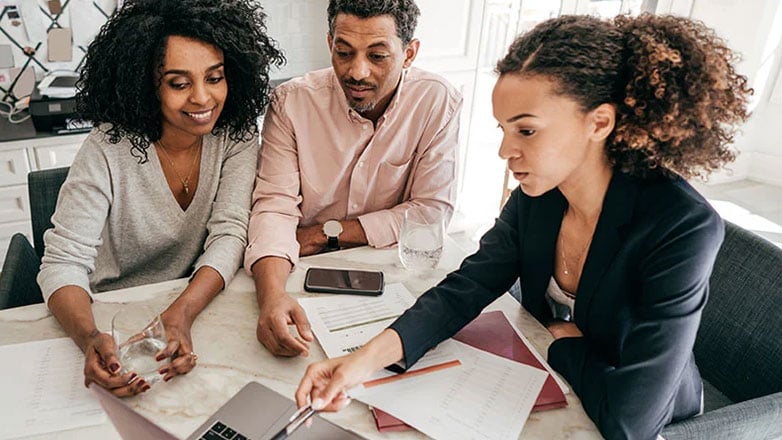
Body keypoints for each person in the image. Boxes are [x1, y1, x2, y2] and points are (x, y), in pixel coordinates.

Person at [295, 13, 752, 439]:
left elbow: (632, 419)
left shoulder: (680, 227)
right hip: (556, 389)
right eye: (503, 130)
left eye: (526, 131)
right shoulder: (538, 198)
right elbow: (467, 287)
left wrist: (562, 345)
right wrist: (359, 363)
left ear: (600, 123)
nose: (505, 152)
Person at [38, 0, 284, 397]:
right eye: (179, 83)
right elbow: (62, 263)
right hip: (109, 313)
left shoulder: (235, 135)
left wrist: (181, 314)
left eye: (215, 77)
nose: (203, 99)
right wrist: (88, 337)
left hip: (196, 302)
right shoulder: (106, 148)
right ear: (145, 84)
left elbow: (230, 233)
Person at [246, 0, 462, 357]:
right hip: (300, 272)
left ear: (409, 53)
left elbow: (430, 215)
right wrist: (271, 299)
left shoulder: (436, 101)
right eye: (344, 52)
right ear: (330, 43)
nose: (357, 72)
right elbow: (273, 209)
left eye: (377, 56)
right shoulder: (291, 103)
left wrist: (324, 233)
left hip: (395, 279)